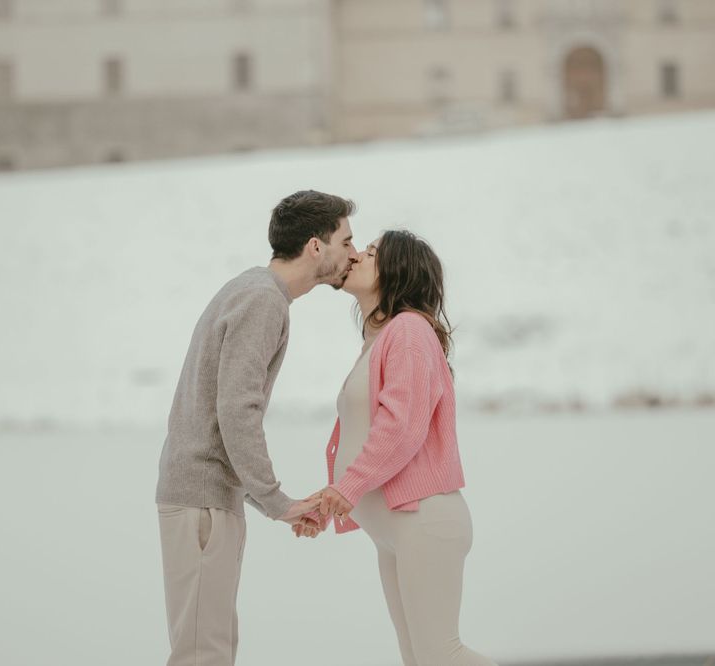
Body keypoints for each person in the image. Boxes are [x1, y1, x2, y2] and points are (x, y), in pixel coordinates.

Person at [155, 190, 357, 666]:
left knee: (209, 648)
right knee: (204, 654)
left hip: (206, 497)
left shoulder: (253, 290)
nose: (353, 253)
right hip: (203, 501)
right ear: (315, 246)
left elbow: (217, 411)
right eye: (346, 241)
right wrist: (274, 499)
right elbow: (236, 410)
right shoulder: (263, 300)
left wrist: (265, 501)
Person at [296, 230, 497, 666]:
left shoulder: (408, 331)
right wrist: (333, 499)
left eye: (371, 253)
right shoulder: (382, 339)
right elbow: (363, 434)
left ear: (396, 271)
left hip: (424, 518)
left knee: (440, 654)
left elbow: (401, 427)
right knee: (419, 659)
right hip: (398, 528)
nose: (356, 256)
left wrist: (347, 490)